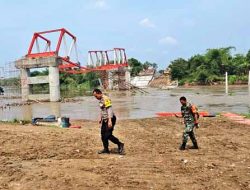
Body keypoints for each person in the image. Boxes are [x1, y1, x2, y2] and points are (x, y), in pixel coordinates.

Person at [93, 89, 124, 154]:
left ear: (99, 93)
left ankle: (120, 144)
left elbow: (109, 109)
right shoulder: (101, 100)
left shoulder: (106, 98)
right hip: (105, 119)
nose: (96, 98)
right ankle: (106, 149)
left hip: (110, 119)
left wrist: (110, 121)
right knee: (103, 135)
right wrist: (100, 118)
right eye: (95, 97)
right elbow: (103, 109)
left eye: (96, 96)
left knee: (108, 135)